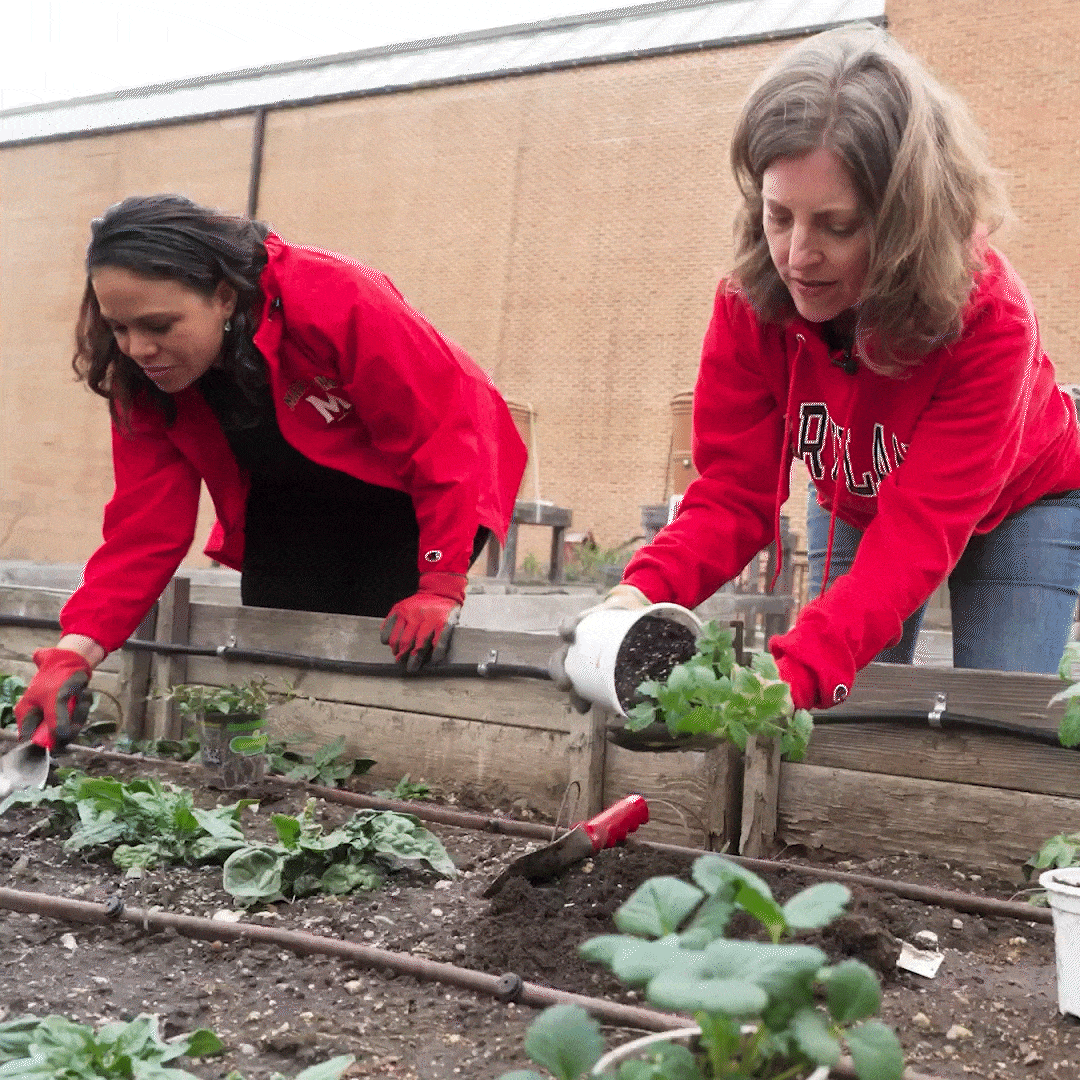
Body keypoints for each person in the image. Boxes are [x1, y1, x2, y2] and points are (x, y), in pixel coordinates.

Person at [556, 24, 1080, 712]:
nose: (797, 257)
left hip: (1024, 502)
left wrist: (795, 673)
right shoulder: (750, 303)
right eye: (779, 216)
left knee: (999, 715)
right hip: (859, 497)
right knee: (844, 709)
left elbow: (916, 533)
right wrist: (634, 595)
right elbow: (733, 492)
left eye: (837, 226)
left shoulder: (988, 319)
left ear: (905, 222)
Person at [14, 194, 527, 751]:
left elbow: (445, 435)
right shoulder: (143, 380)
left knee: (385, 658)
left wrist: (440, 582)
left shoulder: (334, 295)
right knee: (282, 660)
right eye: (118, 327)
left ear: (223, 296)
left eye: (159, 324)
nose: (138, 348)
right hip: (289, 498)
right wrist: (73, 652)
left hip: (416, 489)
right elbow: (145, 529)